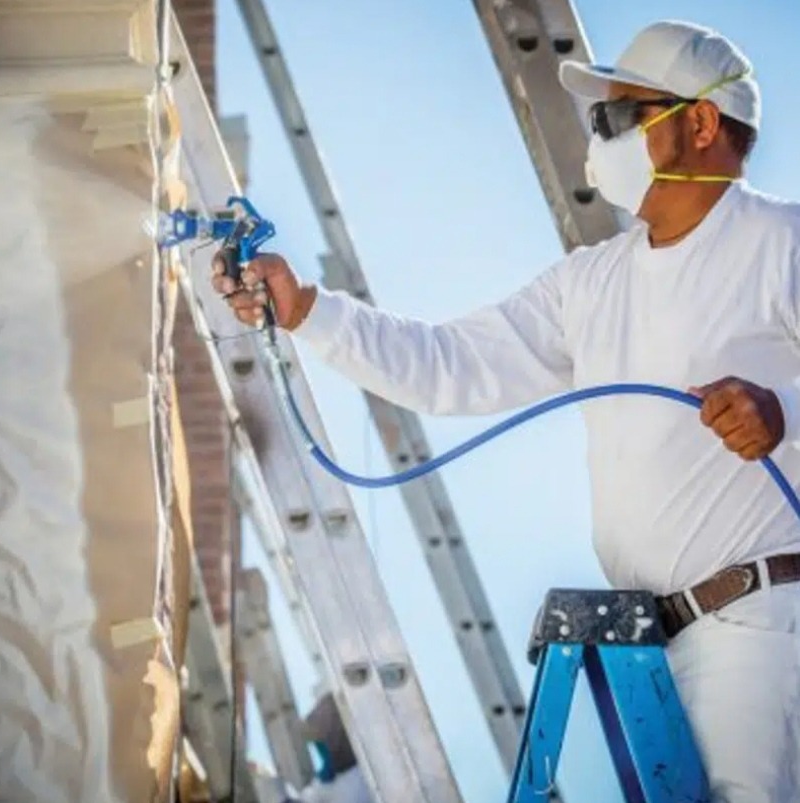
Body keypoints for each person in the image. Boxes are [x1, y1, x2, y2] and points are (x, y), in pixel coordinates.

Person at [212, 19, 800, 803]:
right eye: (599, 121)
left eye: (621, 118)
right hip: (650, 650)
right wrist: (307, 310)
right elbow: (446, 364)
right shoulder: (591, 283)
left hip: (760, 626)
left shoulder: (781, 244)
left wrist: (784, 410)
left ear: (699, 122)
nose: (601, 137)